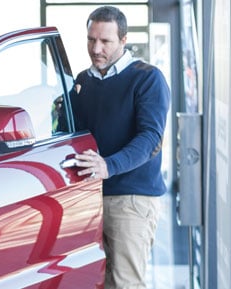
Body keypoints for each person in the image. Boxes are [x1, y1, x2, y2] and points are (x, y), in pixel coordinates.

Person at [69, 6, 170, 289]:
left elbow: (151, 138)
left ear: (123, 41)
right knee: (93, 282)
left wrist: (108, 166)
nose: (96, 48)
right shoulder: (82, 82)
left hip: (131, 200)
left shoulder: (147, 78)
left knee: (125, 284)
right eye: (91, 39)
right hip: (88, 197)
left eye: (105, 41)